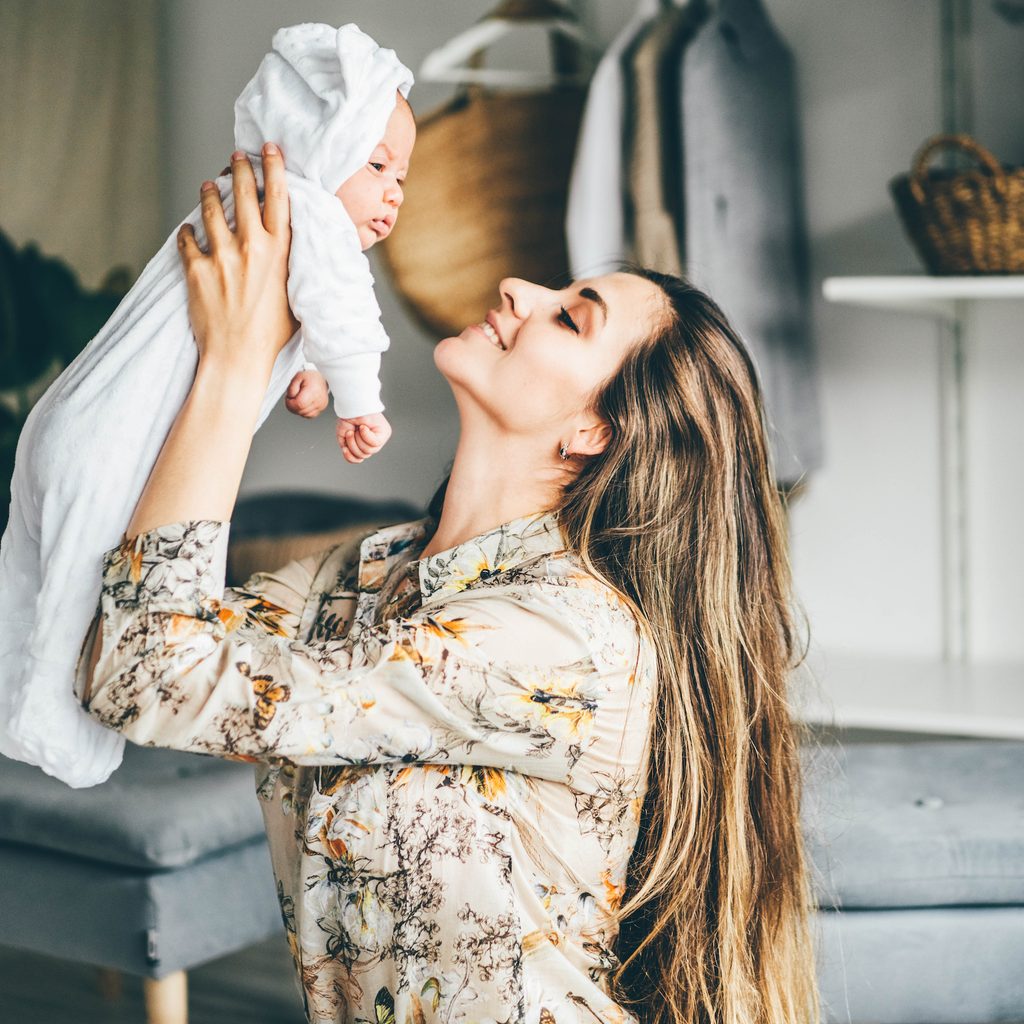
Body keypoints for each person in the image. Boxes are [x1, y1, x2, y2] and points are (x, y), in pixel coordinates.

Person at [78, 148, 820, 1024]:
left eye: (569, 318)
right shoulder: (366, 575)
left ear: (595, 429)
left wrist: (235, 370)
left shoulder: (564, 635)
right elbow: (124, 648)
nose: (516, 288)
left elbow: (150, 674)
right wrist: (240, 354)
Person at [0, 23, 415, 788]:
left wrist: (309, 373)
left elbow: (292, 312)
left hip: (74, 422)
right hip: (118, 447)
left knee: (30, 578)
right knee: (74, 603)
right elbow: (347, 315)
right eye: (379, 161)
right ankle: (64, 743)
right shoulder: (307, 209)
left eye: (402, 177)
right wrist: (358, 397)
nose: (393, 190)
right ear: (318, 140)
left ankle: (11, 700)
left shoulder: (247, 199)